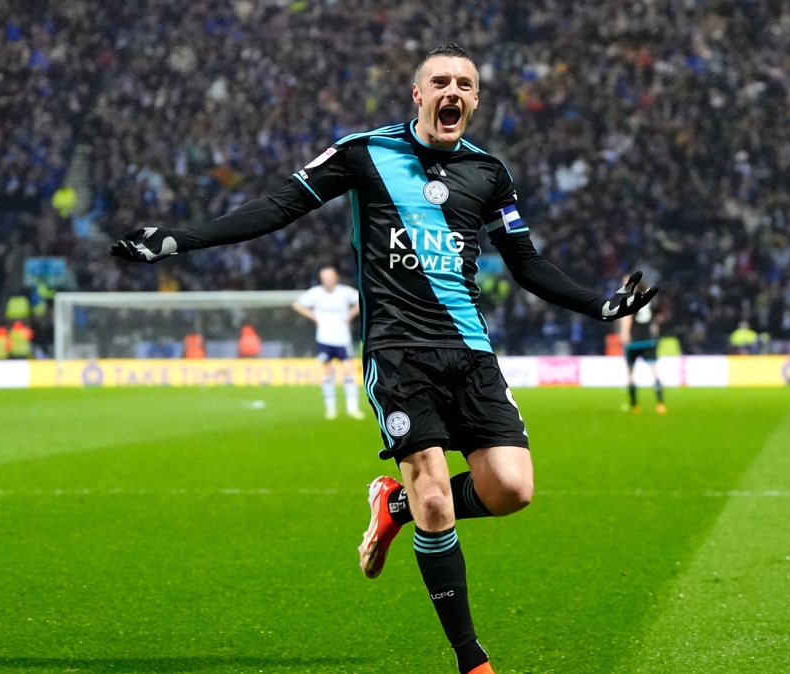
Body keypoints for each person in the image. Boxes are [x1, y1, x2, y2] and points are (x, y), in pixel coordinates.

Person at [110, 44, 656, 674]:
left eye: (465, 84)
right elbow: (278, 207)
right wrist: (178, 240)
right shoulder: (364, 151)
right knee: (436, 501)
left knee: (512, 489)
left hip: (470, 351)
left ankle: (392, 505)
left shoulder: (489, 173)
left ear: (476, 100)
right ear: (417, 94)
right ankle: (471, 659)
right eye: (440, 82)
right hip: (398, 353)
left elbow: (526, 262)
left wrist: (600, 304)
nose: (453, 92)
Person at [293, 266, 365, 420]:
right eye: (324, 278)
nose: (328, 280)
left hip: (342, 338)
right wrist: (313, 316)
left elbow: (362, 299)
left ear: (336, 277)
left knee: (349, 370)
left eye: (330, 277)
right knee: (327, 371)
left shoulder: (345, 292)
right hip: (324, 338)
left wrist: (350, 315)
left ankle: (352, 408)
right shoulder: (315, 293)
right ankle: (330, 409)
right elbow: (297, 304)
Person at [618, 276, 665, 414]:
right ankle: (660, 403)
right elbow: (656, 318)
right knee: (654, 371)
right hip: (648, 340)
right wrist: (653, 329)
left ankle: (634, 405)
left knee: (631, 373)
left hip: (634, 340)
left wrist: (624, 335)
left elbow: (627, 319)